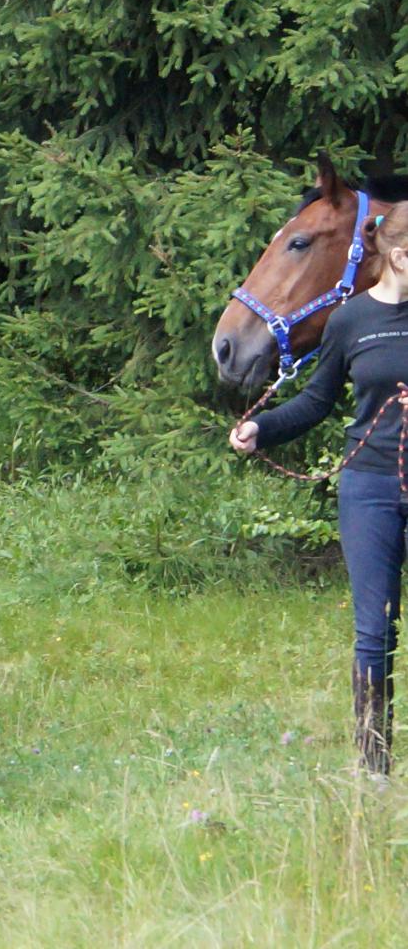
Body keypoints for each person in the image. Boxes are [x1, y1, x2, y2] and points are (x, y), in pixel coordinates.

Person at [230, 207, 408, 774]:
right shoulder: (351, 320)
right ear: (399, 256)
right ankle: (374, 767)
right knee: (375, 628)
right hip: (370, 487)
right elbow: (315, 401)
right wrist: (263, 428)